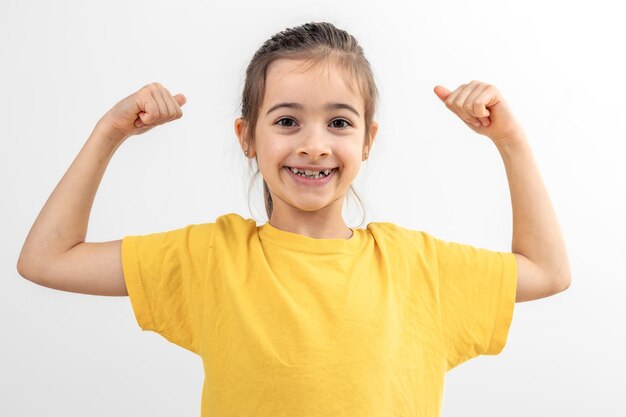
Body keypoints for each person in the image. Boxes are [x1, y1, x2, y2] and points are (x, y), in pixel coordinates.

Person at [17, 21, 571, 417]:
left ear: (367, 140)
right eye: (286, 120)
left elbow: (547, 271)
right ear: (247, 138)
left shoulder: (416, 265)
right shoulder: (213, 257)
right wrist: (109, 133)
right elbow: (46, 259)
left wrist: (510, 140)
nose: (314, 145)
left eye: (339, 122)